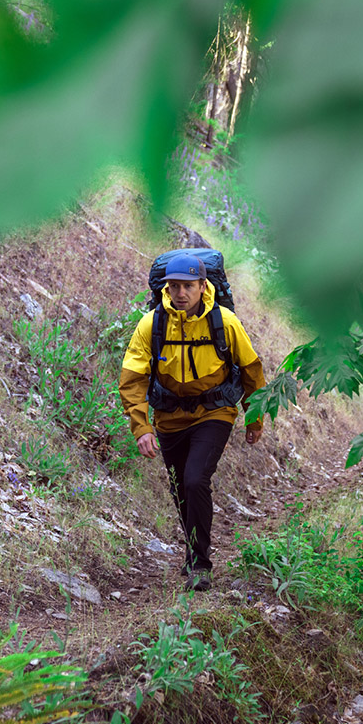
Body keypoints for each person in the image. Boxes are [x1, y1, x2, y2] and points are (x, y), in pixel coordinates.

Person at [118, 253, 266, 591]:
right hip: (169, 417)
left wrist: (254, 417)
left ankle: (200, 564)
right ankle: (193, 550)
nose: (180, 293)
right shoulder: (151, 324)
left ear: (203, 286)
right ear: (166, 288)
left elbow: (251, 370)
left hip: (214, 412)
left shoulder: (224, 321)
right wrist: (141, 427)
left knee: (195, 479)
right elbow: (132, 379)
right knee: (180, 489)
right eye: (174, 287)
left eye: (188, 286)